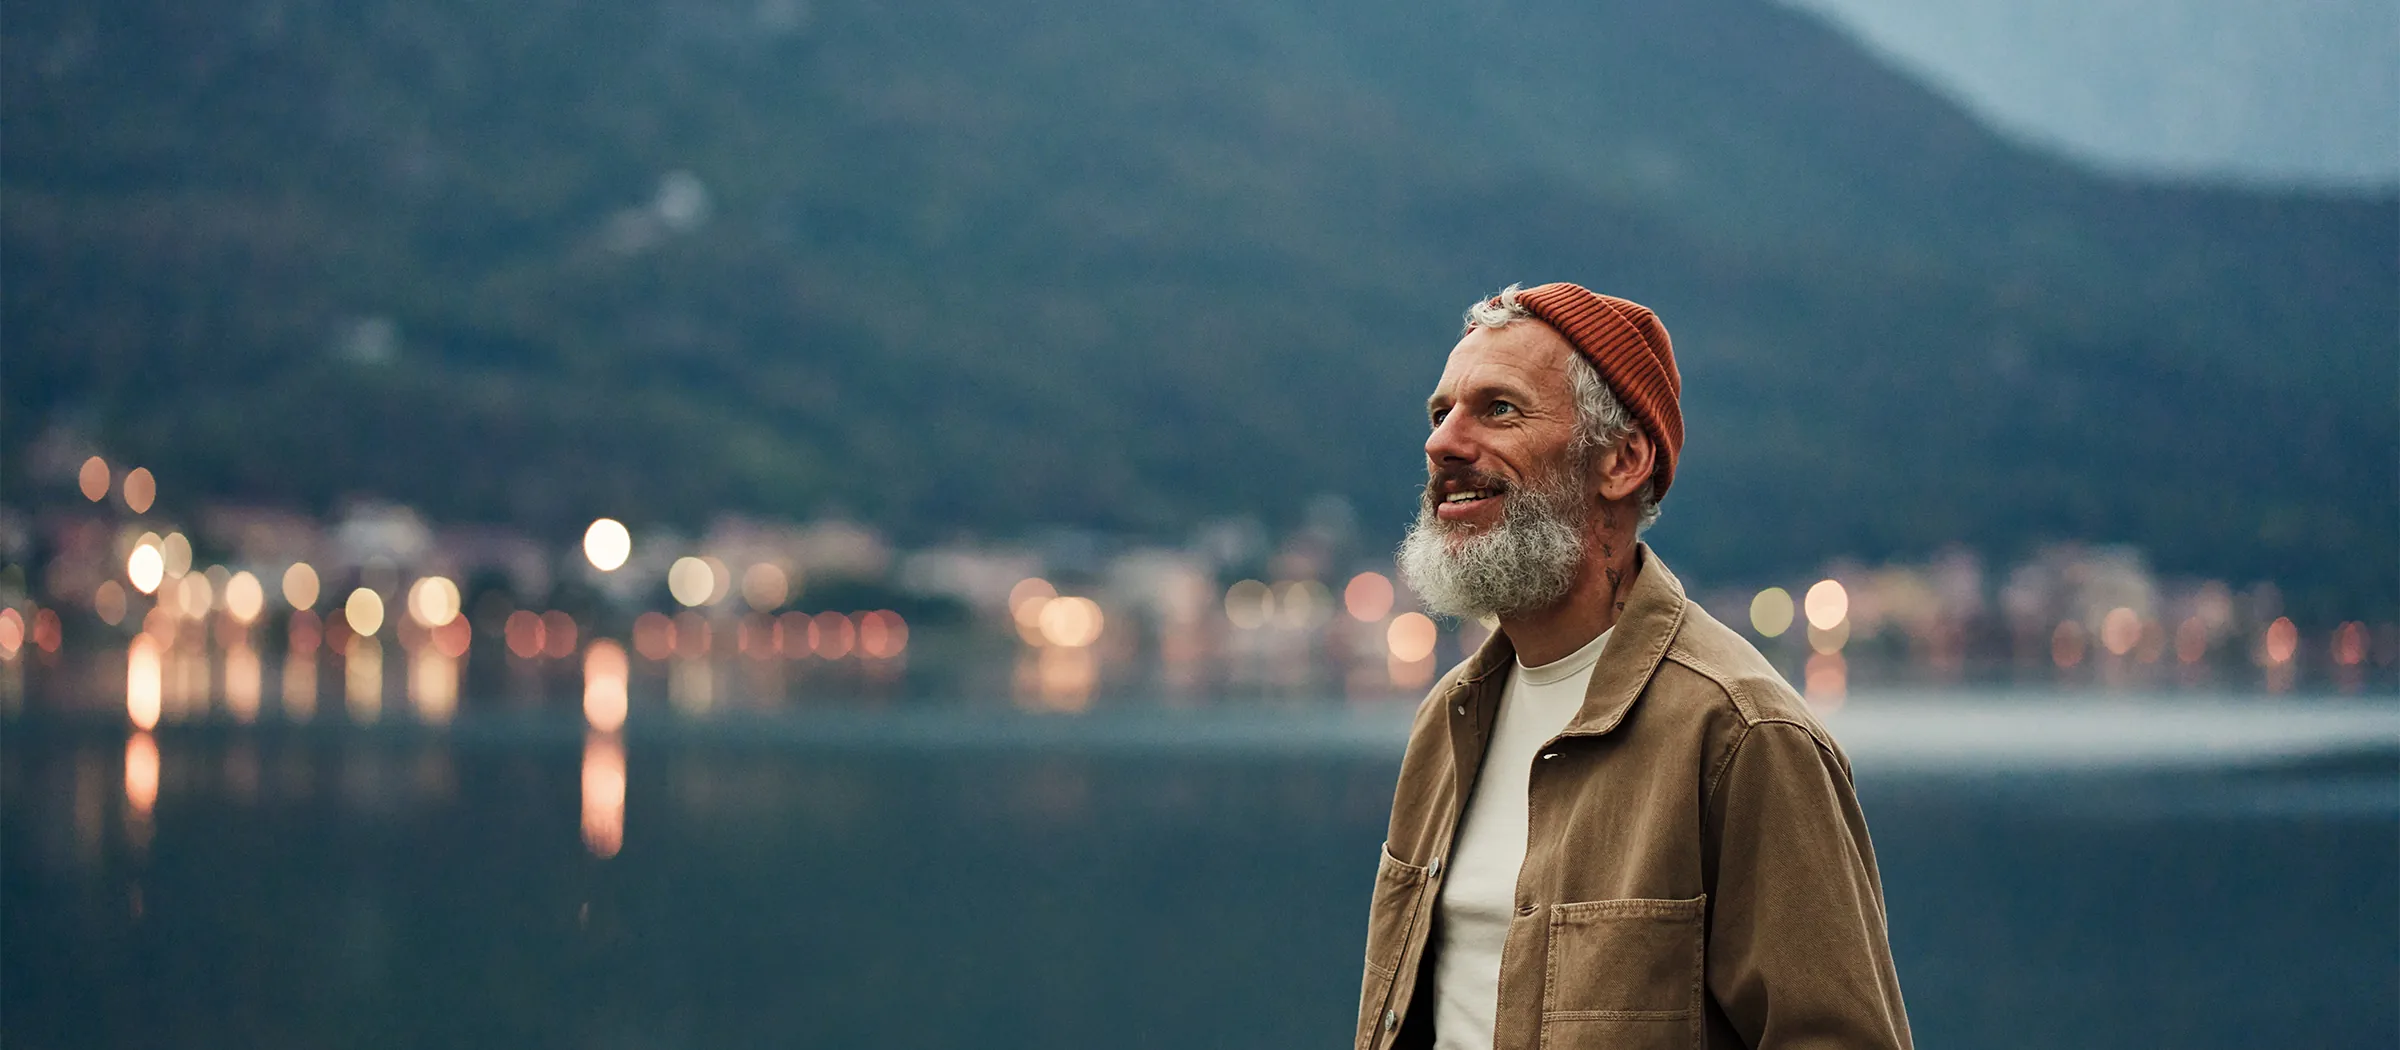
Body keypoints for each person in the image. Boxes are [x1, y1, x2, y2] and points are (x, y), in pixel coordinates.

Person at [1355, 283, 1911, 1050]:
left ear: (1622, 461)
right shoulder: (1446, 723)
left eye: (1499, 410)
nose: (1443, 443)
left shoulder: (1743, 735)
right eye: (1440, 412)